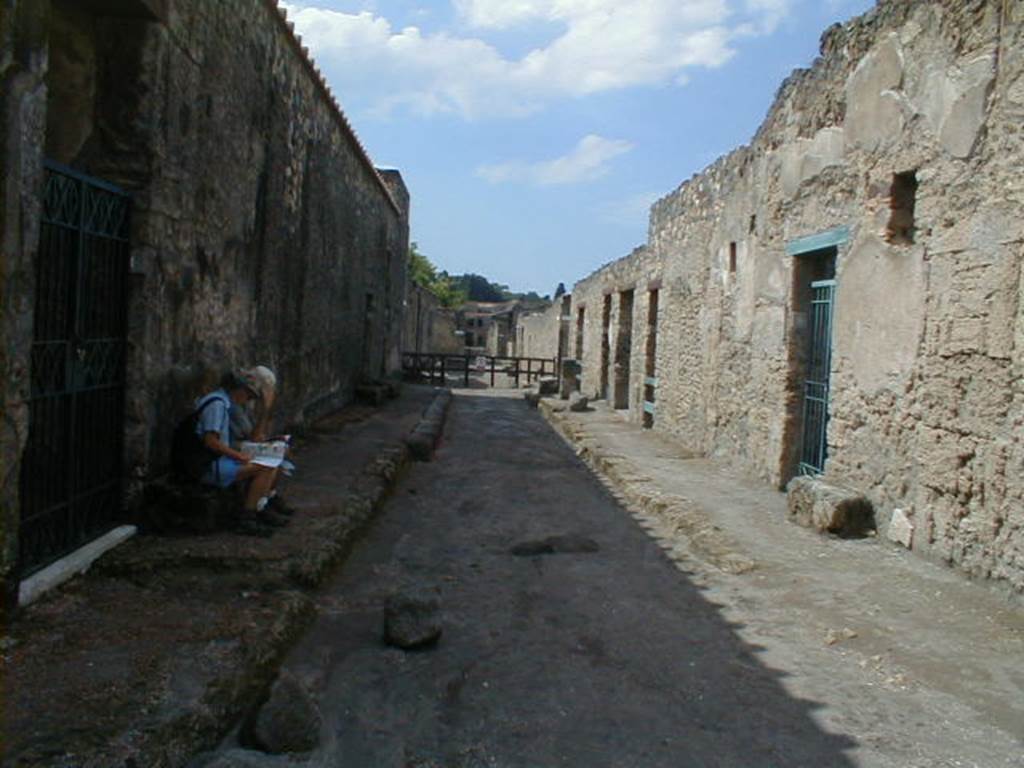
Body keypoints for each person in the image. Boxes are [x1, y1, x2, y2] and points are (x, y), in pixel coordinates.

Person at [195, 369, 287, 532]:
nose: (248, 400)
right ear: (239, 390)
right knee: (265, 467)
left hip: (217, 459)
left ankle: (259, 509)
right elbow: (211, 441)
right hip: (210, 464)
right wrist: (238, 456)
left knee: (272, 460)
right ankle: (248, 516)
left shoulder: (223, 402)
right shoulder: (218, 405)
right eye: (249, 395)